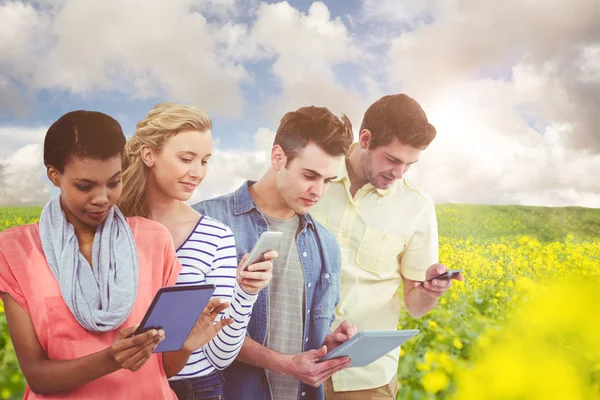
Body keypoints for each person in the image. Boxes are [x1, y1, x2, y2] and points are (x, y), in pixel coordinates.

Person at [0, 110, 229, 399]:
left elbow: (160, 370)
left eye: (113, 182)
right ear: (54, 175)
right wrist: (111, 359)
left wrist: (184, 345)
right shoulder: (16, 249)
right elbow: (37, 376)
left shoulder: (154, 240)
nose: (102, 198)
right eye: (85, 186)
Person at [194, 106, 359, 400]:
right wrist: (286, 365)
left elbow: (308, 329)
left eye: (327, 181)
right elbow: (198, 331)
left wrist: (329, 345)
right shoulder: (207, 222)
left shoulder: (327, 245)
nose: (318, 191)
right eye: (309, 175)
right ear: (278, 157)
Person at [309, 94, 464, 399]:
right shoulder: (313, 178)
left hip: (365, 378)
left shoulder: (416, 205)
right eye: (392, 159)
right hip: (291, 364)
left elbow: (416, 308)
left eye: (409, 164)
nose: (399, 173)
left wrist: (430, 291)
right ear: (365, 139)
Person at [118, 102, 275, 399]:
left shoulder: (215, 236)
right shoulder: (110, 226)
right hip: (117, 383)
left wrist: (245, 293)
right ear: (148, 154)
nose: (197, 172)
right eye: (186, 158)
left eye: (204, 161)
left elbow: (220, 356)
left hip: (195, 388)